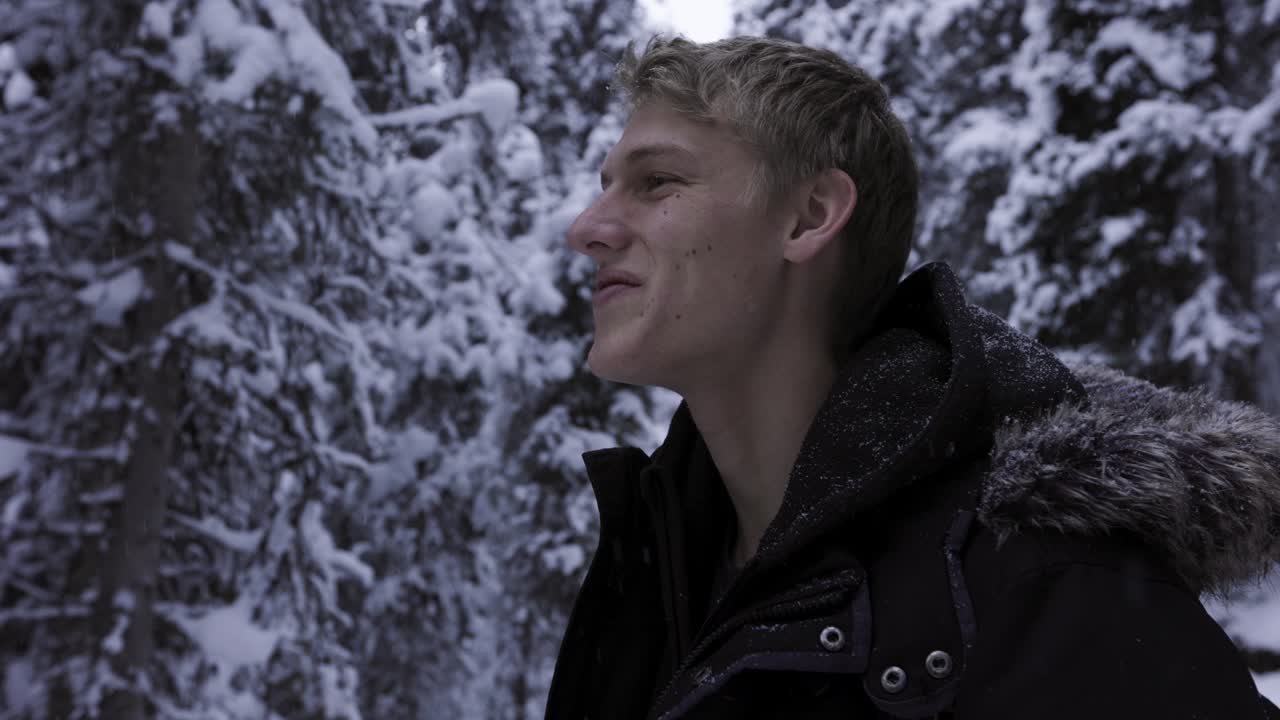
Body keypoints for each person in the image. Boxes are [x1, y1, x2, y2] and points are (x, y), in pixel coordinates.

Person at [544, 34, 1280, 719]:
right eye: (605, 186)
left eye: (657, 181)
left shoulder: (1046, 590)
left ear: (809, 217)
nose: (586, 228)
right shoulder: (653, 571)